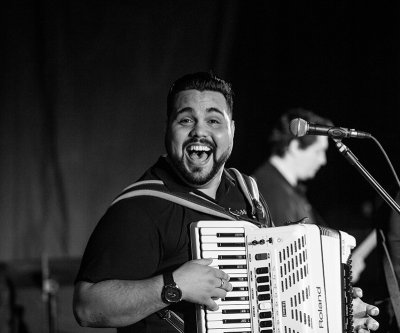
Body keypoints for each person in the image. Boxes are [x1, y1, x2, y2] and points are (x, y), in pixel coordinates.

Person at [73, 72, 379, 332]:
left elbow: (276, 291)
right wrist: (172, 286)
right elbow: (87, 306)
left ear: (232, 131)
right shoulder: (141, 207)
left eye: (214, 121)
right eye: (186, 120)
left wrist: (338, 308)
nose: (200, 131)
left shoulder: (249, 194)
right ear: (169, 130)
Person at [252, 108, 376, 282]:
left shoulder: (284, 187)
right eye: (318, 151)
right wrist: (338, 276)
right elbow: (289, 266)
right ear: (295, 147)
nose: (323, 160)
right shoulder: (273, 191)